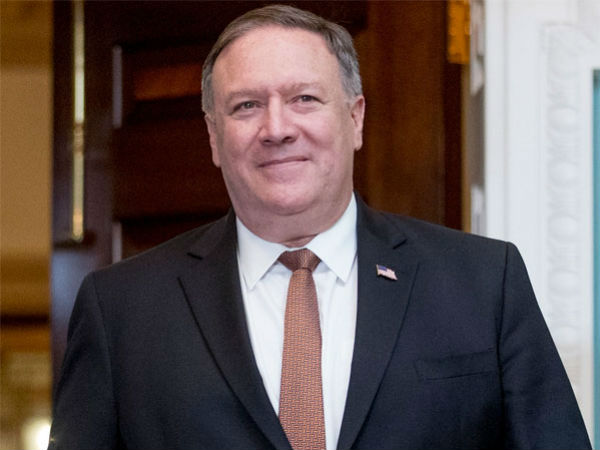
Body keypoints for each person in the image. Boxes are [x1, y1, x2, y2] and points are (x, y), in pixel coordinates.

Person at [48, 5, 591, 450]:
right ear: (214, 137)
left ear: (354, 118)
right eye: (246, 106)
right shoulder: (121, 310)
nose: (277, 128)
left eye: (304, 99)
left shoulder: (483, 282)